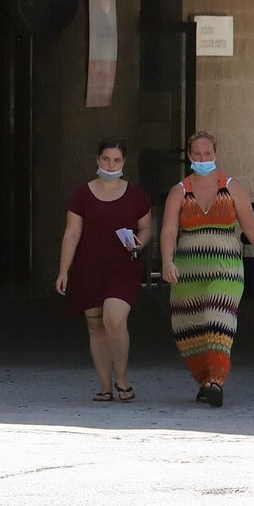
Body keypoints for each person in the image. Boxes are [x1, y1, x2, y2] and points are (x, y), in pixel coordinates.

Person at [160, 132, 254, 408]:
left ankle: (216, 381)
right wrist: (166, 260)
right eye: (196, 155)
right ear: (189, 156)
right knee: (187, 328)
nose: (202, 159)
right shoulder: (180, 190)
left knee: (217, 318)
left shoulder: (232, 187)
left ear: (215, 154)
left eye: (207, 154)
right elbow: (169, 229)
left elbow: (250, 226)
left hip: (226, 267)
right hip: (188, 271)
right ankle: (204, 380)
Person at [55, 140, 152, 402]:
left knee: (115, 319)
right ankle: (105, 385)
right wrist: (64, 269)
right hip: (89, 268)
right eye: (107, 159)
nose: (111, 165)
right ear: (97, 160)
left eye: (117, 160)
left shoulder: (136, 195)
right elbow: (72, 232)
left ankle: (122, 379)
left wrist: (138, 243)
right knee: (95, 325)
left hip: (123, 268)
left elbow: (146, 227)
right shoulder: (82, 195)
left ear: (124, 163)